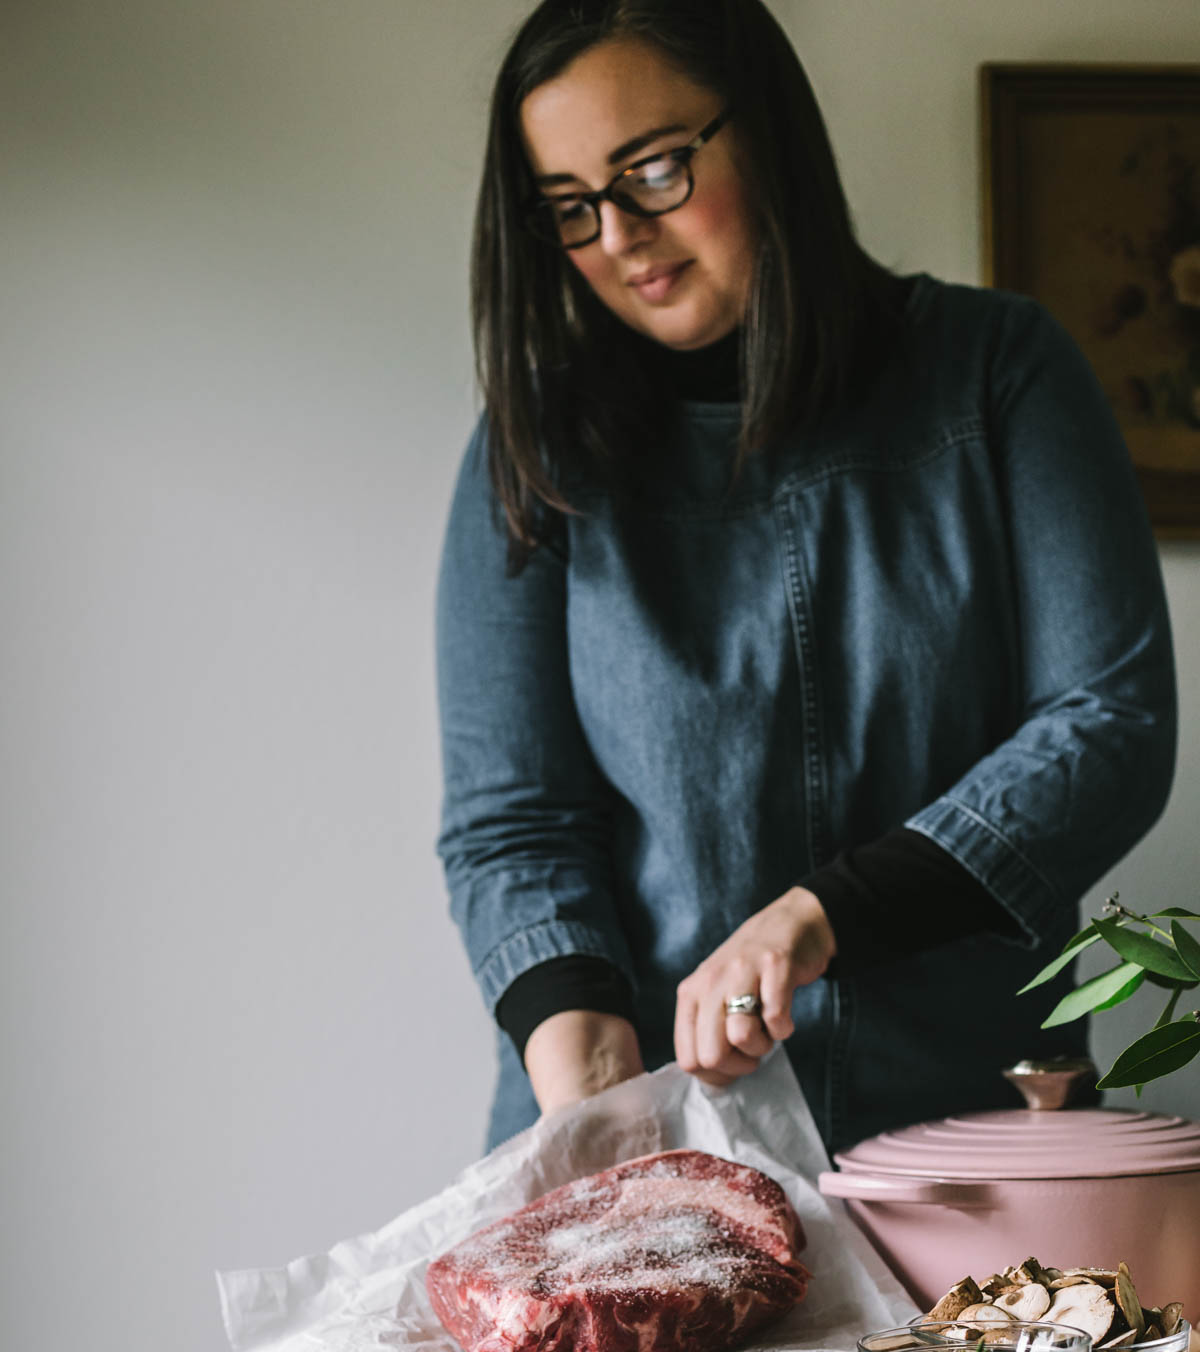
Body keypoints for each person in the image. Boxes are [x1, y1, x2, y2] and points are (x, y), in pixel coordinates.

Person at [435, 0, 1176, 1157]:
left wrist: (823, 916)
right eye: (569, 206)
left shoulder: (1000, 374)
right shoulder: (533, 446)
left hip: (971, 1132)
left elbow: (1110, 724)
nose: (620, 235)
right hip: (646, 1136)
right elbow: (511, 822)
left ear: (769, 133)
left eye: (656, 169)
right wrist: (583, 1062)